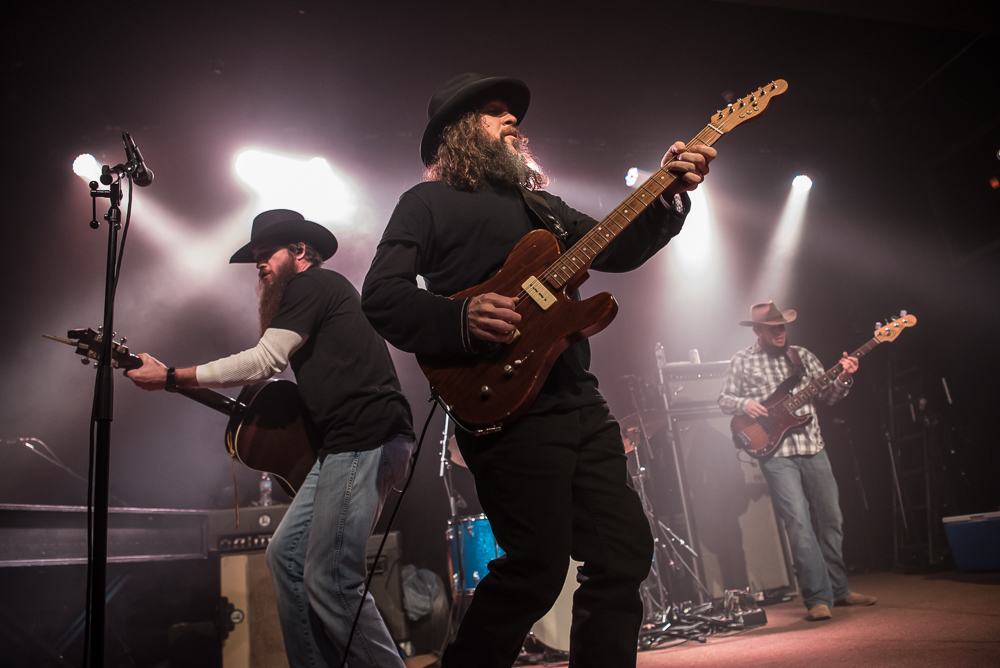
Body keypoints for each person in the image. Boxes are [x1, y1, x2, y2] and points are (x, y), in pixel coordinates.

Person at [361, 73, 716, 668]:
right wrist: (462, 315)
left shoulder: (543, 205)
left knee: (623, 553)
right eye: (494, 112)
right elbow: (382, 295)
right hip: (500, 404)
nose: (512, 121)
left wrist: (668, 193)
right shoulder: (424, 203)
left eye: (512, 113)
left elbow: (617, 249)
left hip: (578, 396)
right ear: (457, 133)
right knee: (535, 567)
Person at [125, 209, 415, 667]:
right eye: (255, 258)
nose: (259, 265)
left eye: (267, 255)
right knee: (285, 557)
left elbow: (265, 361)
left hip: (365, 437)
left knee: (332, 581)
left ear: (300, 252)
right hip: (344, 445)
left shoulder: (312, 285)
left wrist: (173, 377)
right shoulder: (314, 293)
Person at [718, 301, 877, 622]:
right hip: (776, 454)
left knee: (832, 520)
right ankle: (818, 598)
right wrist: (745, 403)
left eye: (783, 327)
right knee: (800, 525)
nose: (780, 333)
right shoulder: (742, 361)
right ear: (758, 331)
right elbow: (724, 399)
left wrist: (844, 378)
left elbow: (828, 397)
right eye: (773, 328)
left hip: (813, 446)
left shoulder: (802, 356)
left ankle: (840, 589)